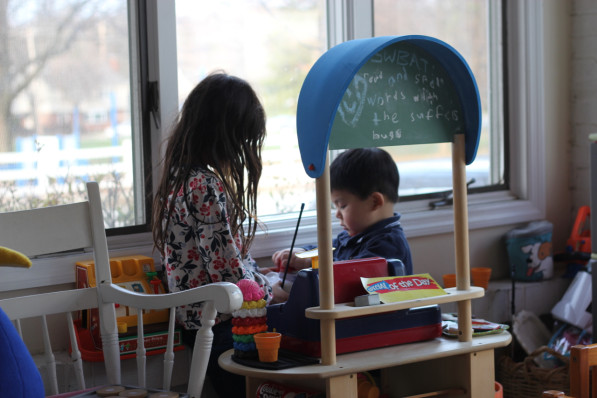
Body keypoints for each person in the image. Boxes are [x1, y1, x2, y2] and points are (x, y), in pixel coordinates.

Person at [152, 71, 282, 397]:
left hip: (201, 324)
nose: (242, 153)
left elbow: (221, 257)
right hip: (225, 327)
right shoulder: (204, 185)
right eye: (242, 142)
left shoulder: (181, 179)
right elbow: (229, 277)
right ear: (225, 137)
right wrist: (273, 290)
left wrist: (259, 273)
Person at [272, 148, 413, 294]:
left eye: (343, 206)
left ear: (374, 202)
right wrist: (302, 252)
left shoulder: (389, 244)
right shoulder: (350, 237)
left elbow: (351, 275)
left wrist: (310, 263)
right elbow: (326, 251)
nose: (337, 214)